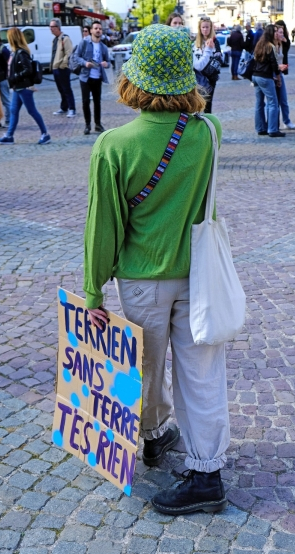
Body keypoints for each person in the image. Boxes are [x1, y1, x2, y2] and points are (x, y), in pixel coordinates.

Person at [84, 24, 229, 515]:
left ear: (134, 79)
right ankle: (207, 472)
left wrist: (92, 292)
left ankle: (151, 436)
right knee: (203, 373)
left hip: (142, 280)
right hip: (199, 274)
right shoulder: (209, 133)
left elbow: (102, 227)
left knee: (144, 369)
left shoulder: (115, 145)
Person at [0, 27, 50, 145]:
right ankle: (9, 135)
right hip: (18, 87)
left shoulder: (21, 53)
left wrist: (15, 76)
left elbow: (28, 70)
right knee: (13, 110)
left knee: (32, 111)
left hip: (24, 87)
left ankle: (45, 133)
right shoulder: (16, 52)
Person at [75, 20, 109, 135]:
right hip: (85, 77)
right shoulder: (84, 43)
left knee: (97, 102)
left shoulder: (103, 46)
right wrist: (85, 63)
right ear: (91, 31)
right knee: (85, 102)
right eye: (96, 28)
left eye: (100, 28)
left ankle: (98, 124)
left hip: (97, 77)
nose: (98, 30)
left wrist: (106, 64)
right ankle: (87, 125)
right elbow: (76, 56)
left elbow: (108, 62)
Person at [252, 24, 285, 137]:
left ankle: (260, 128)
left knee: (259, 103)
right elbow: (274, 64)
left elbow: (255, 60)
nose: (276, 33)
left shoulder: (260, 44)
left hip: (256, 76)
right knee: (273, 103)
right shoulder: (270, 46)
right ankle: (272, 129)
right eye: (275, 31)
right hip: (265, 77)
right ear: (271, 33)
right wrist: (278, 77)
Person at [193, 17, 222, 113]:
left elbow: (218, 58)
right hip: (197, 77)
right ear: (200, 28)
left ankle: (208, 125)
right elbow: (196, 64)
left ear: (211, 28)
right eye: (203, 27)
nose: (205, 30)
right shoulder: (195, 43)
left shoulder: (215, 42)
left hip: (210, 77)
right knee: (196, 103)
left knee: (208, 104)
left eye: (207, 27)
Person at [50, 18, 76, 117]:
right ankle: (64, 107)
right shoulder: (55, 40)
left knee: (67, 89)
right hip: (55, 68)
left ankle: (72, 108)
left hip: (62, 69)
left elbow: (69, 53)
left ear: (58, 27)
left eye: (53, 26)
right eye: (50, 27)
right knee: (61, 89)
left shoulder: (65, 38)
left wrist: (62, 65)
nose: (51, 29)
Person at [274, 25, 295, 129]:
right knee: (274, 101)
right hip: (273, 74)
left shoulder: (281, 44)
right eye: (280, 32)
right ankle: (274, 123)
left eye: (283, 32)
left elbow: (287, 49)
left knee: (283, 99)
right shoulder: (271, 46)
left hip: (279, 73)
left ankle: (286, 121)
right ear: (275, 34)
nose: (282, 34)